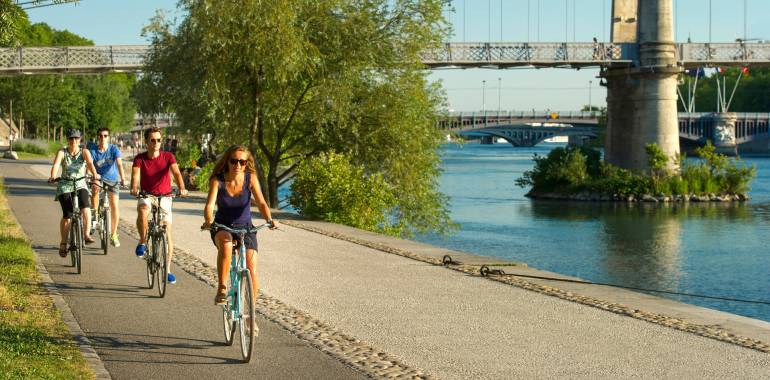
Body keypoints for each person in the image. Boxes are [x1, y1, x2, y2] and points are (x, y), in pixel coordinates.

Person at [200, 145, 277, 312]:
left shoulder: (251, 178)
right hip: (222, 226)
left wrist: (270, 220)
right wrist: (208, 220)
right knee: (227, 245)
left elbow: (262, 203)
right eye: (234, 161)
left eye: (242, 162)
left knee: (251, 268)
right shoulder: (218, 181)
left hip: (246, 227)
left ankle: (251, 314)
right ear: (227, 161)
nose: (238, 165)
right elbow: (209, 205)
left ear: (246, 163)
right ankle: (221, 288)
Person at [130, 127, 188, 284]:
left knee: (167, 230)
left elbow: (176, 173)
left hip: (165, 196)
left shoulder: (168, 156)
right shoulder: (140, 158)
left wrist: (182, 187)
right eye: (152, 140)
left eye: (158, 140)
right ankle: (142, 241)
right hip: (147, 194)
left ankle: (167, 269)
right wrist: (134, 188)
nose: (156, 143)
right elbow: (135, 175)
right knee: (142, 209)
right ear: (146, 142)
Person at [48, 129, 100, 257]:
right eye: (71, 139)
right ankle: (63, 243)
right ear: (68, 140)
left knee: (86, 208)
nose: (73, 141)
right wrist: (53, 176)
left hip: (80, 183)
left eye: (76, 139)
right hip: (65, 184)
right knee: (68, 214)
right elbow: (56, 164)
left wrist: (95, 175)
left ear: (80, 140)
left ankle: (86, 235)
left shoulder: (84, 152)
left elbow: (90, 163)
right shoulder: (62, 151)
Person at [89, 127, 127, 247]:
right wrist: (89, 174)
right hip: (98, 178)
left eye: (105, 136)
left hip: (113, 180)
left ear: (108, 137)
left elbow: (120, 164)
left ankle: (114, 234)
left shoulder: (113, 149)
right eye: (100, 135)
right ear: (97, 137)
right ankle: (94, 217)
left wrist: (123, 178)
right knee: (95, 188)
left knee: (114, 206)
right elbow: (88, 164)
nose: (103, 138)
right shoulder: (93, 150)